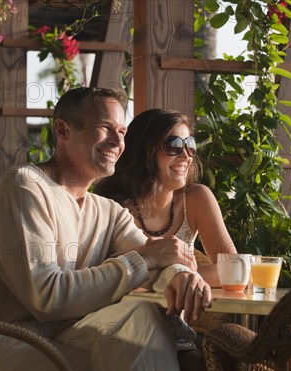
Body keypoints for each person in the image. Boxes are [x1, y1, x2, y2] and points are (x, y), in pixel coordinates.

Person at [0, 88, 212, 371]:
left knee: (142, 320)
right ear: (62, 130)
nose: (117, 141)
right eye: (105, 128)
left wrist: (181, 274)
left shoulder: (105, 210)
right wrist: (145, 260)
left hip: (57, 341)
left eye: (121, 132)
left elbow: (157, 255)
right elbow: (47, 297)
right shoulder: (24, 189)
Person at [94, 108, 237, 286]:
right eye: (173, 145)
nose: (186, 155)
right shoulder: (110, 205)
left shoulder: (196, 198)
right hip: (124, 311)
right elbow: (96, 274)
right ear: (145, 152)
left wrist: (174, 276)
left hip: (178, 311)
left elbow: (233, 270)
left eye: (190, 145)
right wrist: (173, 275)